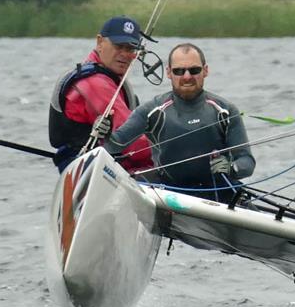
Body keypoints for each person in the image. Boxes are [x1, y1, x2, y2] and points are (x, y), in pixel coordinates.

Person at [104, 43, 255, 201]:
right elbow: (114, 145)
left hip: (219, 196)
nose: (187, 76)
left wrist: (232, 168)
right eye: (179, 71)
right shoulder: (152, 111)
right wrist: (104, 132)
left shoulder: (225, 111)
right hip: (170, 196)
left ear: (205, 71)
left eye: (194, 70)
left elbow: (247, 162)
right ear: (169, 73)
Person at [48, 16, 154, 173]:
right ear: (99, 42)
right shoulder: (95, 84)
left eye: (131, 49)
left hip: (110, 167)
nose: (125, 54)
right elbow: (133, 143)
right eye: (119, 46)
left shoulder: (112, 79)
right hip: (90, 171)